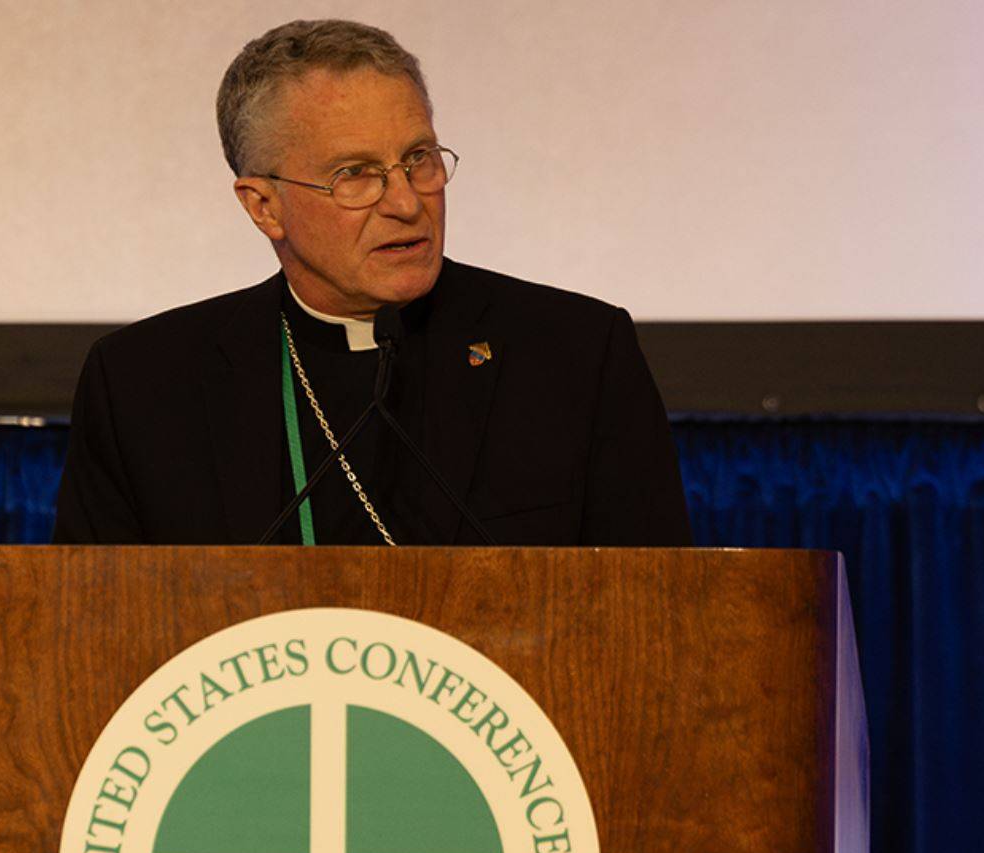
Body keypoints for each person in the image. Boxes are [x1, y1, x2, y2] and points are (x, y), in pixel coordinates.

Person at [52, 19, 690, 547]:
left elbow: (658, 616)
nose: (408, 203)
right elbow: (98, 640)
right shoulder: (143, 386)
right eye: (354, 174)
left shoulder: (576, 354)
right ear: (263, 206)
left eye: (419, 159)